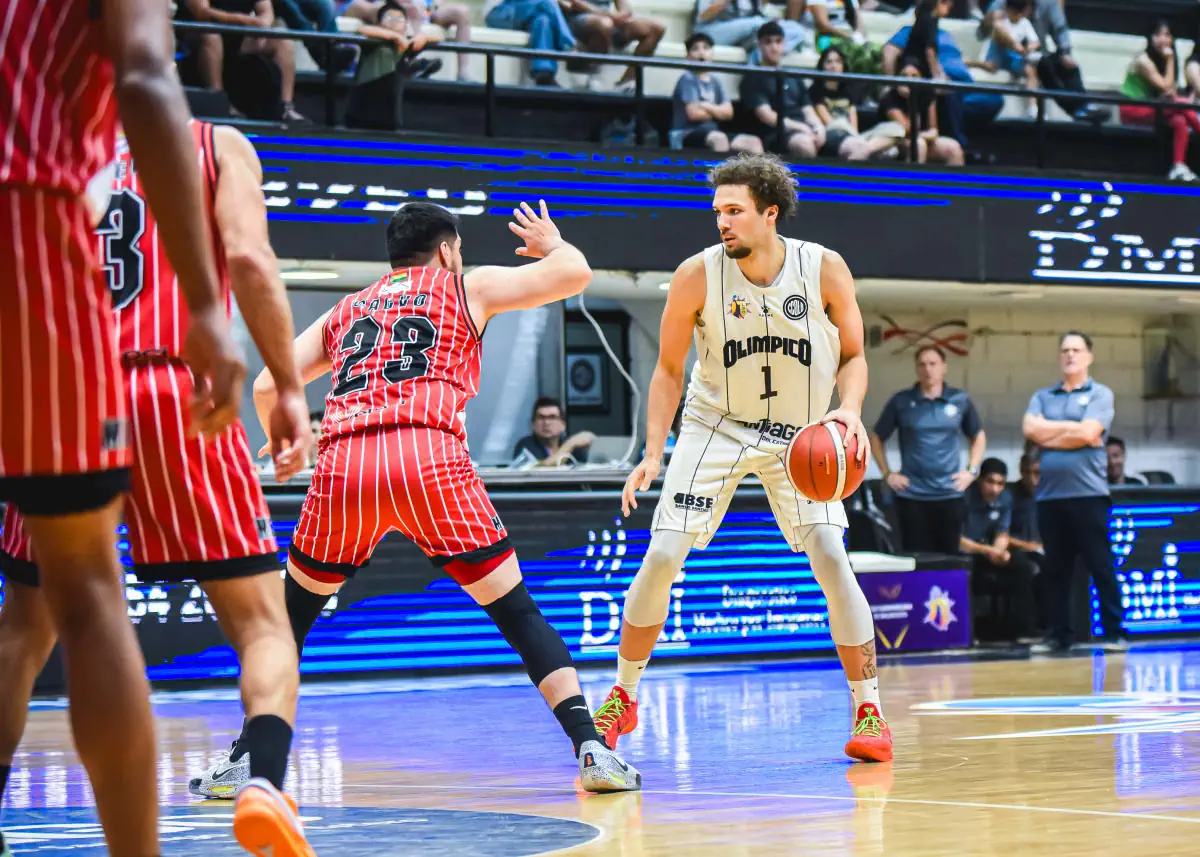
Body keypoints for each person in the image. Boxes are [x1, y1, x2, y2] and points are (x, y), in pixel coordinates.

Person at [192, 201, 641, 796]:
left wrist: (286, 445)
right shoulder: (466, 285)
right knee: (516, 612)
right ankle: (591, 748)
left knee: (287, 626)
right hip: (428, 456)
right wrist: (552, 242)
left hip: (344, 463)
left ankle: (246, 760)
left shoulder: (348, 309)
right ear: (449, 250)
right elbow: (575, 274)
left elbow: (269, 383)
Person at [0, 121, 316, 854]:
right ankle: (264, 780)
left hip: (69, 392)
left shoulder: (49, 147)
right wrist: (289, 385)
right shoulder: (212, 144)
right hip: (178, 388)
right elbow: (248, 258)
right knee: (262, 623)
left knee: (23, 631)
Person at [0, 3, 245, 855]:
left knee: (22, 620)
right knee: (85, 584)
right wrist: (209, 311)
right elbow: (144, 72)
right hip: (28, 214)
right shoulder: (218, 147)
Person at [592, 153, 892, 764]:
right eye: (717, 211)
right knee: (664, 553)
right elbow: (669, 369)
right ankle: (624, 694)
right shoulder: (696, 275)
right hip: (716, 425)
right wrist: (653, 451)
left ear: (769, 213)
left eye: (734, 211)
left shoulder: (824, 269)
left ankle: (869, 710)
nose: (721, 222)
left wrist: (851, 410)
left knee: (832, 555)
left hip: (801, 433)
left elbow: (855, 356)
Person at [1023, 331, 1126, 654]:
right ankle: (1059, 635)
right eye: (1065, 350)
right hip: (1050, 497)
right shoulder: (1043, 395)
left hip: (1088, 495)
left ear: (1089, 356)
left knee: (1101, 566)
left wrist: (1050, 432)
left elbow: (1090, 432)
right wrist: (1075, 432)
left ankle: (1114, 634)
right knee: (1056, 571)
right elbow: (1030, 430)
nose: (1070, 355)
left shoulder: (1101, 394)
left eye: (1076, 350)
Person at [869, 345, 985, 554]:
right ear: (916, 369)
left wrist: (971, 471)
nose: (928, 369)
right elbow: (876, 437)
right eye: (922, 364)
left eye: (933, 364)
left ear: (944, 368)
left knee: (949, 557)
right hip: (912, 495)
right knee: (916, 558)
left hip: (949, 494)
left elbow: (978, 436)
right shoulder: (902, 401)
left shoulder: (959, 400)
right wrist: (887, 474)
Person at [177, 0, 306, 122]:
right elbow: (202, 12)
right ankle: (219, 101)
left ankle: (285, 107)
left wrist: (262, 25)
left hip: (239, 37)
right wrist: (245, 21)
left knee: (282, 39)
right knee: (211, 35)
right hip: (197, 38)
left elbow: (266, 11)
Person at [960, 458, 1037, 643]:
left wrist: (999, 551)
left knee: (1023, 567)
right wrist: (988, 550)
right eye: (990, 482)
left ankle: (1022, 631)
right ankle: (970, 632)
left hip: (990, 553)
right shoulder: (964, 498)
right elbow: (958, 541)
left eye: (1000, 483)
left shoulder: (1005, 499)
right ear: (980, 480)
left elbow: (1003, 533)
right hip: (968, 553)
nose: (995, 489)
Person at [1119, 21, 1200, 182]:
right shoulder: (1144, 60)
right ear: (1150, 38)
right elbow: (1165, 86)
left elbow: (1170, 93)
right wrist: (1170, 59)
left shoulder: (1164, 59)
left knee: (1179, 121)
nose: (1163, 39)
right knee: (1182, 105)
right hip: (1133, 109)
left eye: (1167, 35)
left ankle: (1178, 166)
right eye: (1158, 35)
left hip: (1153, 108)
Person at [740, 22, 827, 157]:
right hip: (774, 133)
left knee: (849, 144)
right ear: (759, 45)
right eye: (768, 42)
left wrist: (819, 127)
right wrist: (799, 127)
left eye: (778, 42)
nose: (774, 47)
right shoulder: (752, 78)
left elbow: (808, 110)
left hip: (802, 130)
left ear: (784, 44)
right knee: (803, 144)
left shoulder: (793, 77)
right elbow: (767, 116)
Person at [672, 33, 764, 154]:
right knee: (719, 139)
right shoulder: (687, 79)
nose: (701, 53)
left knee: (753, 142)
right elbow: (694, 114)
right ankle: (720, 173)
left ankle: (759, 173)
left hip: (712, 131)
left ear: (712, 54)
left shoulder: (716, 81)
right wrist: (718, 112)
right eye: (695, 49)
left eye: (706, 48)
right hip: (686, 134)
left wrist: (705, 105)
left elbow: (729, 113)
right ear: (688, 56)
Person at [810, 46, 896, 160]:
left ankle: (867, 147)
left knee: (895, 129)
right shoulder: (815, 91)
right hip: (833, 134)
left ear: (843, 65)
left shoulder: (849, 90)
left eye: (837, 61)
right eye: (829, 62)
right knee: (840, 123)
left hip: (853, 134)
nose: (833, 66)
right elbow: (829, 122)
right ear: (822, 66)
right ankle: (865, 148)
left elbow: (853, 120)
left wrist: (856, 136)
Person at [875, 61, 965, 165]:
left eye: (914, 76)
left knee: (953, 147)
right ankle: (911, 180)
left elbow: (933, 130)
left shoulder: (928, 97)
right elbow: (908, 130)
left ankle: (952, 181)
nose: (909, 80)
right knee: (918, 145)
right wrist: (911, 99)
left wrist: (926, 135)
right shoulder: (890, 99)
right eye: (904, 76)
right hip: (894, 141)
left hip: (921, 138)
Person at [561, 0, 665, 90]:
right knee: (604, 24)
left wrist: (623, 15)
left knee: (655, 28)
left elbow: (624, 6)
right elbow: (575, 4)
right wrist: (609, 16)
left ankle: (626, 83)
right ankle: (594, 76)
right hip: (578, 20)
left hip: (609, 20)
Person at [512, 397, 596, 466]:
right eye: (541, 417)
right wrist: (570, 445)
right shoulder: (525, 445)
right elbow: (539, 471)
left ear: (563, 425)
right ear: (533, 424)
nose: (546, 423)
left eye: (552, 417)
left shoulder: (572, 446)